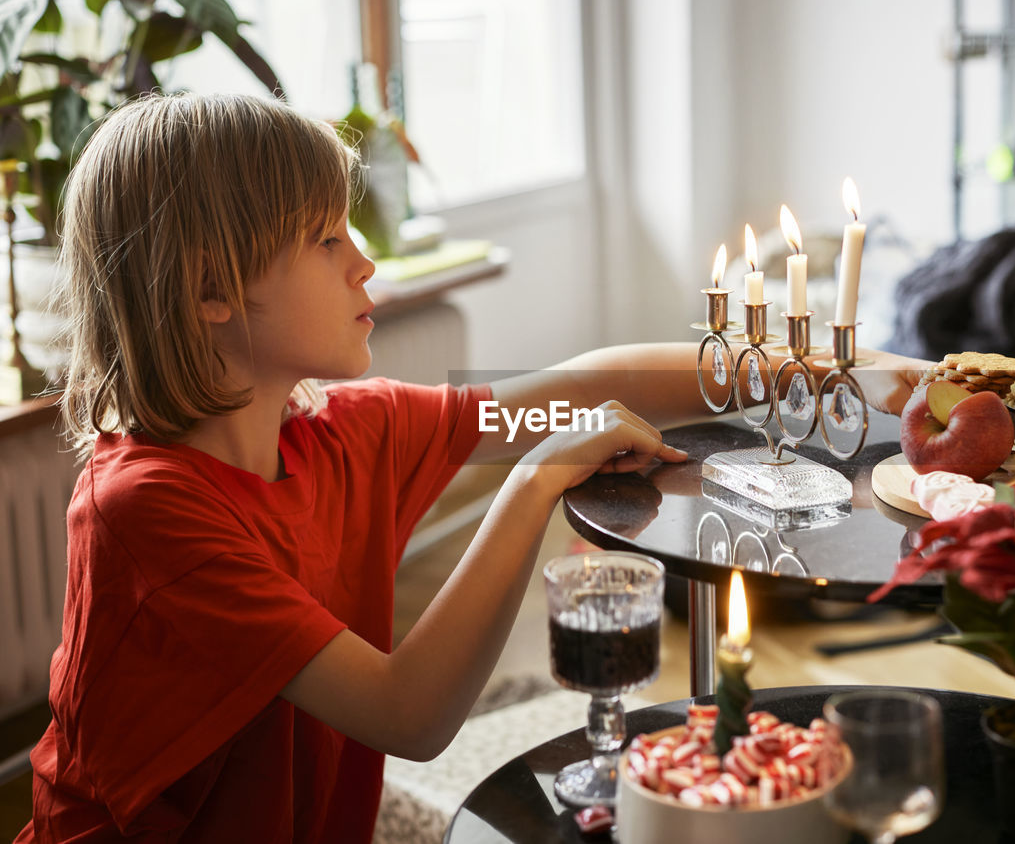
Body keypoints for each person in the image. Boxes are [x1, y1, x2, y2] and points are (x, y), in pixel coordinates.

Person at [16, 92, 929, 843]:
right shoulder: (143, 509)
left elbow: (579, 388)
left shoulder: (340, 428)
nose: (365, 263)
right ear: (212, 289)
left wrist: (834, 373)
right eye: (328, 241)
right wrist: (532, 480)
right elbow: (410, 717)